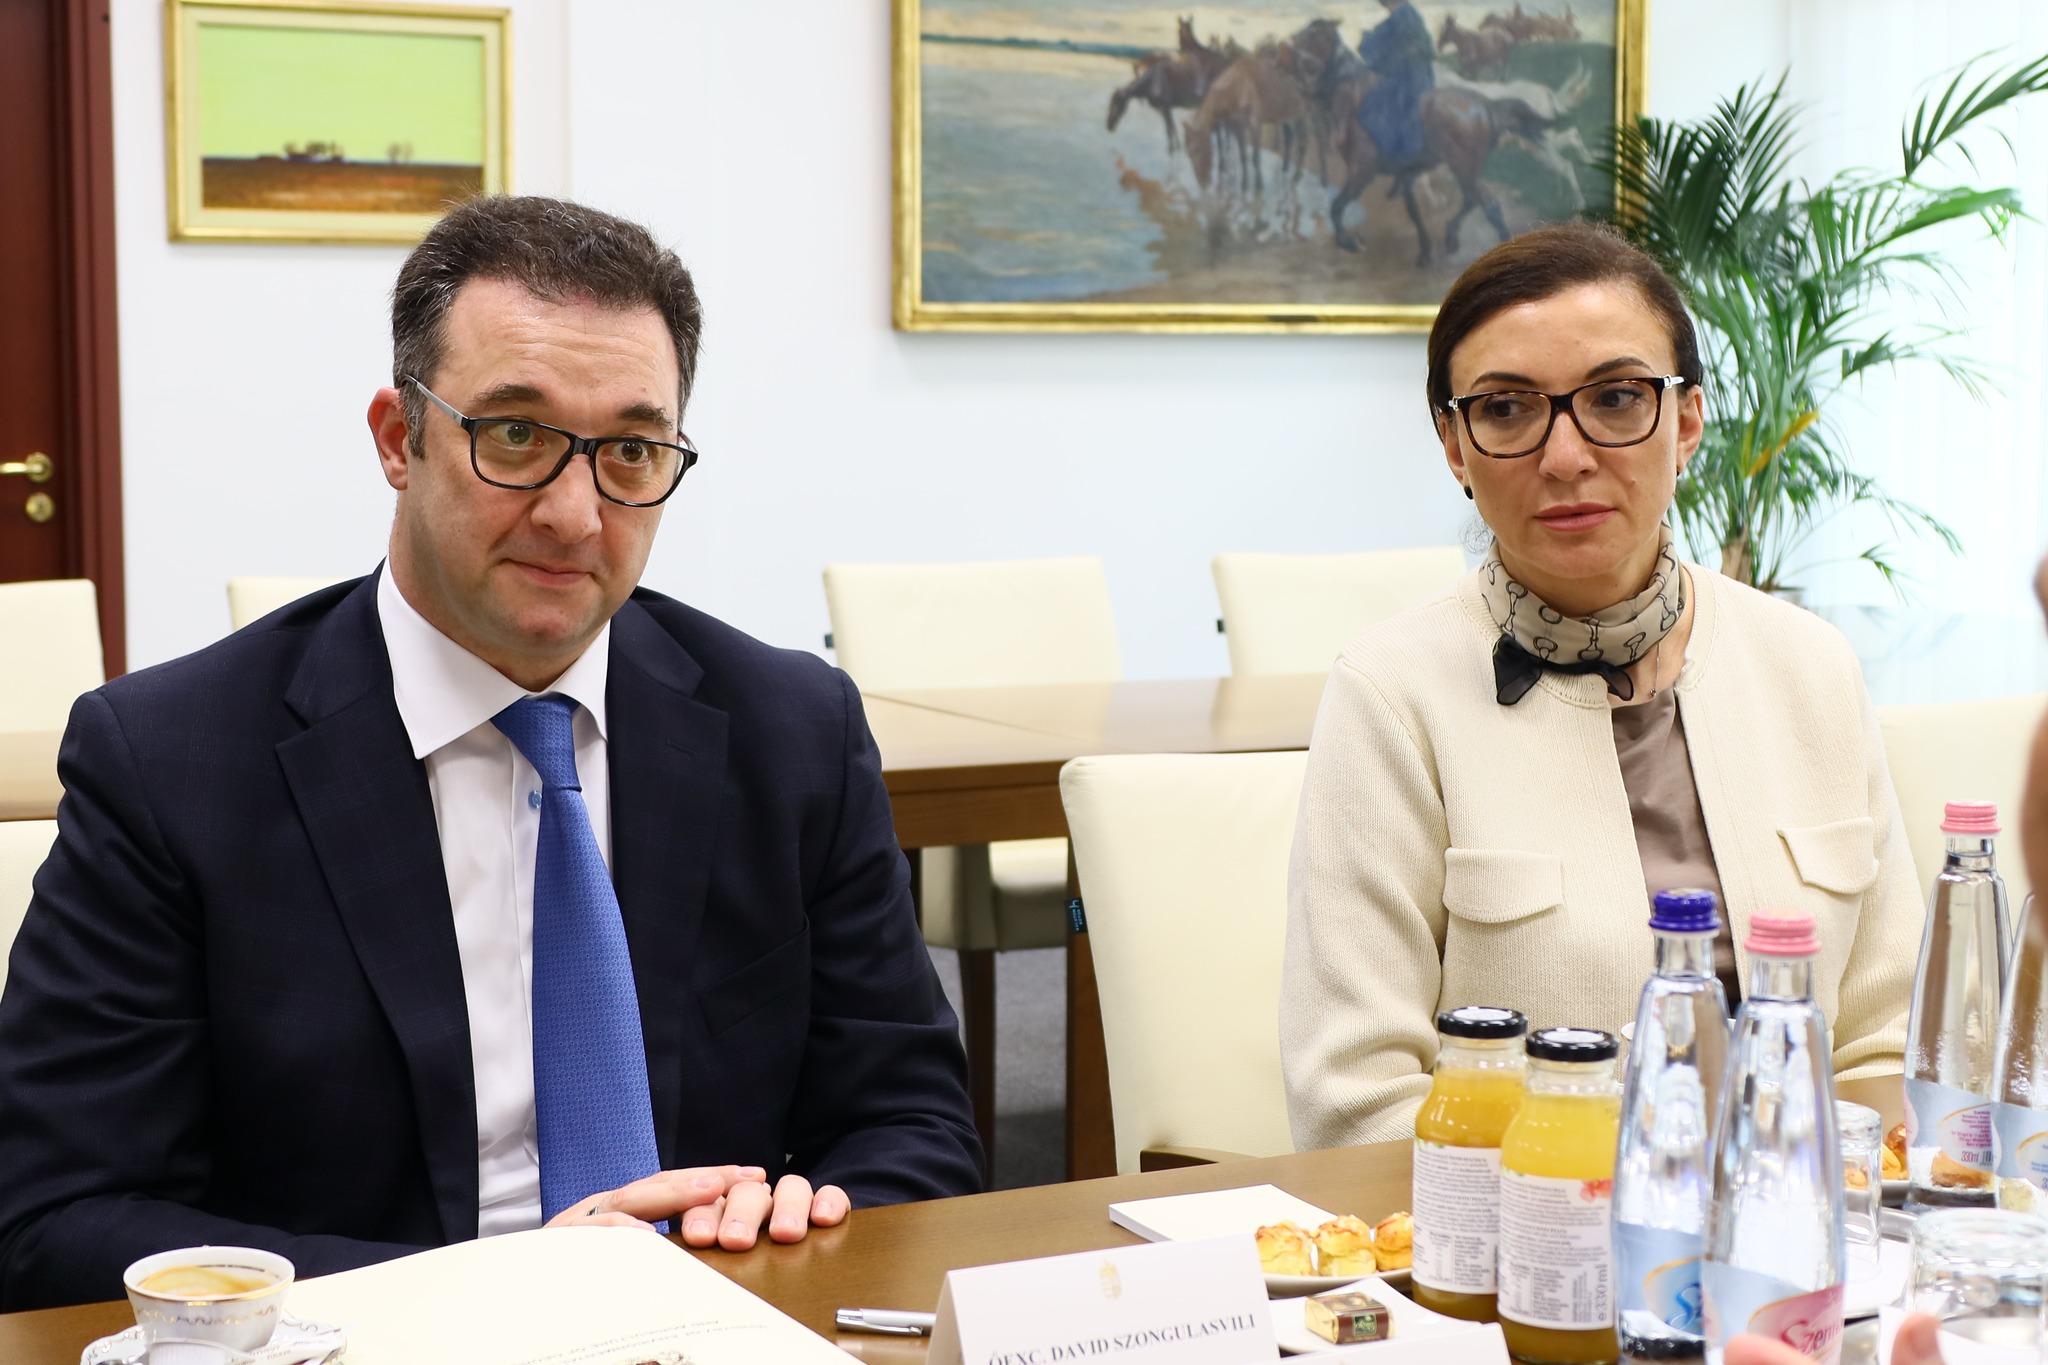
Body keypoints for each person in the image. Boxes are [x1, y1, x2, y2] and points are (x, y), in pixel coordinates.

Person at [0, 196, 982, 1311]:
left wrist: (804, 1221)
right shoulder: (171, 765)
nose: (575, 513)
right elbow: (55, 1219)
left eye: (630, 451)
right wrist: (496, 1293)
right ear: (397, 438)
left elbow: (914, 1128)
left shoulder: (790, 730)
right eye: (515, 435)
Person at [1280, 221, 1922, 1148]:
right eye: (1506, 409)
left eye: (1616, 398)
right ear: (1455, 447)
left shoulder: (1810, 666)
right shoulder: (1391, 693)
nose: (1566, 456)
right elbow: (1357, 1100)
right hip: (1519, 1228)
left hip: (1805, 1213)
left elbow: (1887, 1044)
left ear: (1687, 421)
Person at [1355, 0, 1435, 167]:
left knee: (1374, 104)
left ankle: (1397, 154)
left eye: (1387, 3)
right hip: (1408, 73)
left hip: (1412, 77)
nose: (1386, 6)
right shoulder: (1401, 16)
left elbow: (1402, 48)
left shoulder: (1404, 15)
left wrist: (1376, 53)